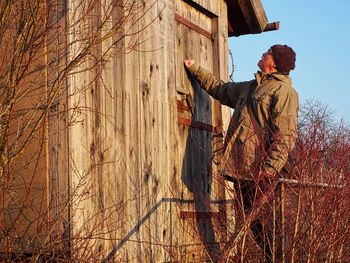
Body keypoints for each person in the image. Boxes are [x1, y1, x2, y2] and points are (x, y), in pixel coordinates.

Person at [184, 44, 298, 262]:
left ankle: (278, 259)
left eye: (267, 53)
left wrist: (267, 171)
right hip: (244, 169)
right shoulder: (251, 87)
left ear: (274, 63)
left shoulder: (285, 92)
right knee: (254, 226)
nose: (262, 54)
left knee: (267, 227)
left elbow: (285, 137)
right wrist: (195, 69)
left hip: (263, 173)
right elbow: (221, 89)